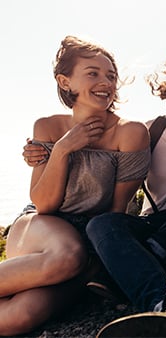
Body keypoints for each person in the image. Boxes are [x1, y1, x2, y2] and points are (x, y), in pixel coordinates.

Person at [24, 51, 166, 337]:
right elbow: (111, 170)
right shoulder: (154, 130)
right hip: (156, 227)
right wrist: (41, 153)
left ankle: (154, 250)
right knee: (102, 223)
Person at [1, 35, 150, 336]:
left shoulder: (131, 133)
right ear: (65, 82)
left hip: (91, 241)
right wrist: (63, 149)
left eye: (111, 76)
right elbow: (45, 204)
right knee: (66, 256)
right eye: (92, 73)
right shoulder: (48, 127)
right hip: (42, 225)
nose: (105, 82)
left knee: (14, 319)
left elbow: (115, 211)